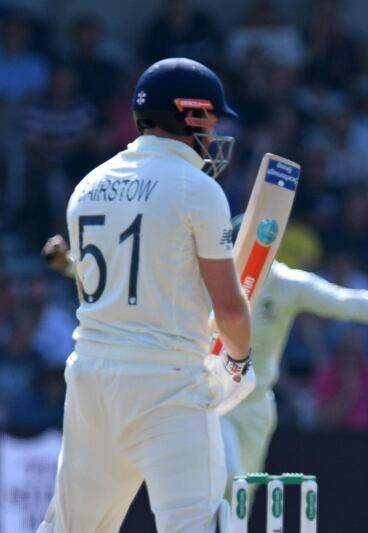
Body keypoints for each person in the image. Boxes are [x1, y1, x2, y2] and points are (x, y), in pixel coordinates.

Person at [43, 216, 368, 510]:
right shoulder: (201, 278)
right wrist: (71, 266)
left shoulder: (286, 283)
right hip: (212, 394)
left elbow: (342, 300)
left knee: (242, 498)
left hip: (257, 403)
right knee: (228, 479)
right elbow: (134, 284)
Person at [38, 57, 252, 533]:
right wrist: (237, 362)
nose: (214, 136)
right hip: (166, 383)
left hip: (91, 378)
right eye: (211, 121)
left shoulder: (87, 186)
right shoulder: (198, 189)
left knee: (73, 528)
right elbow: (231, 310)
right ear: (189, 115)